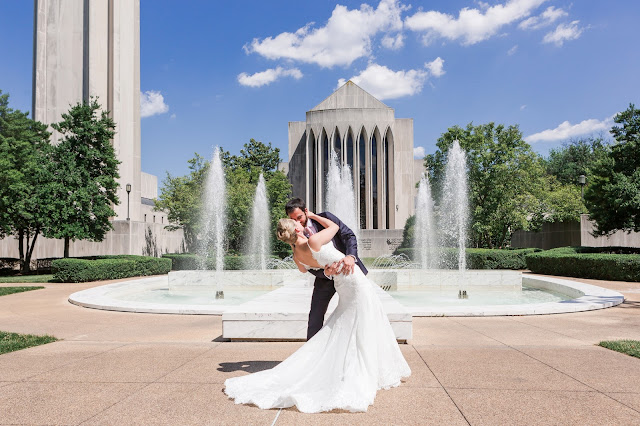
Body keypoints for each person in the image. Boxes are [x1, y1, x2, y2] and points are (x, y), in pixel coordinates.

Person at [224, 211, 411, 413]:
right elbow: (335, 227)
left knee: (352, 322)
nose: (300, 222)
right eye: (297, 222)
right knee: (364, 318)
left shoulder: (297, 256)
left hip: (341, 282)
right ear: (296, 228)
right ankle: (361, 370)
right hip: (354, 281)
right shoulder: (313, 240)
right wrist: (313, 215)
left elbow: (315, 270)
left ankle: (359, 366)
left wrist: (328, 271)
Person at [284, 197, 367, 340]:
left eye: (299, 217)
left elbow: (349, 235)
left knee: (359, 310)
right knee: (315, 316)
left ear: (306, 211)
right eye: (293, 219)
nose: (298, 222)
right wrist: (326, 273)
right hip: (325, 279)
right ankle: (311, 354)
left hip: (349, 272)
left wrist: (351, 257)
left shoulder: (325, 218)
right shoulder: (294, 235)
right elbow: (305, 263)